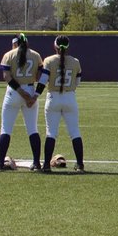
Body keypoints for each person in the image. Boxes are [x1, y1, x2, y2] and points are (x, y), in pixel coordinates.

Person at [0, 33, 43, 172]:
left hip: (13, 92)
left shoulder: (8, 55)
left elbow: (7, 76)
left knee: (5, 129)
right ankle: (36, 163)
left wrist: (21, 92)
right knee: (32, 129)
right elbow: (40, 76)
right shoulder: (36, 55)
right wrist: (32, 96)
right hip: (30, 90)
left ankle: (0, 164)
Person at [39, 36, 85, 172]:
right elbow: (77, 83)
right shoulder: (75, 62)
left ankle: (47, 165)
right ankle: (80, 165)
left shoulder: (49, 60)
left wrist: (35, 95)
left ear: (55, 47)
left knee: (51, 133)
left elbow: (42, 81)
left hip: (53, 97)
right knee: (75, 132)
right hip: (70, 97)